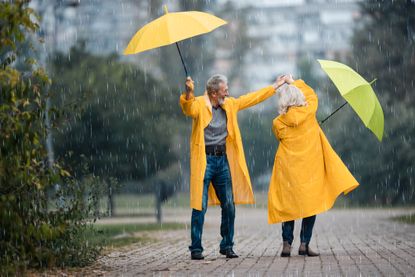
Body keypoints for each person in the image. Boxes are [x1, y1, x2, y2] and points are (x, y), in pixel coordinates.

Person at [180, 74, 286, 260]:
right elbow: (188, 108)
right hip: (204, 161)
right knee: (200, 205)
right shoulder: (199, 104)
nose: (227, 93)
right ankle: (196, 248)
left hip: (222, 161)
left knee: (229, 205)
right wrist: (188, 91)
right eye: (224, 90)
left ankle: (227, 245)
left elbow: (251, 98)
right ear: (213, 93)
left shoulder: (229, 104)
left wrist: (275, 86)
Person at [267, 75, 359, 257]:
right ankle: (304, 244)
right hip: (309, 167)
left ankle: (286, 243)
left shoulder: (277, 123)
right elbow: (312, 95)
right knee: (311, 204)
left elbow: (281, 137)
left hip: (288, 168)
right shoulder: (310, 112)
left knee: (288, 205)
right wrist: (294, 82)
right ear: (299, 97)